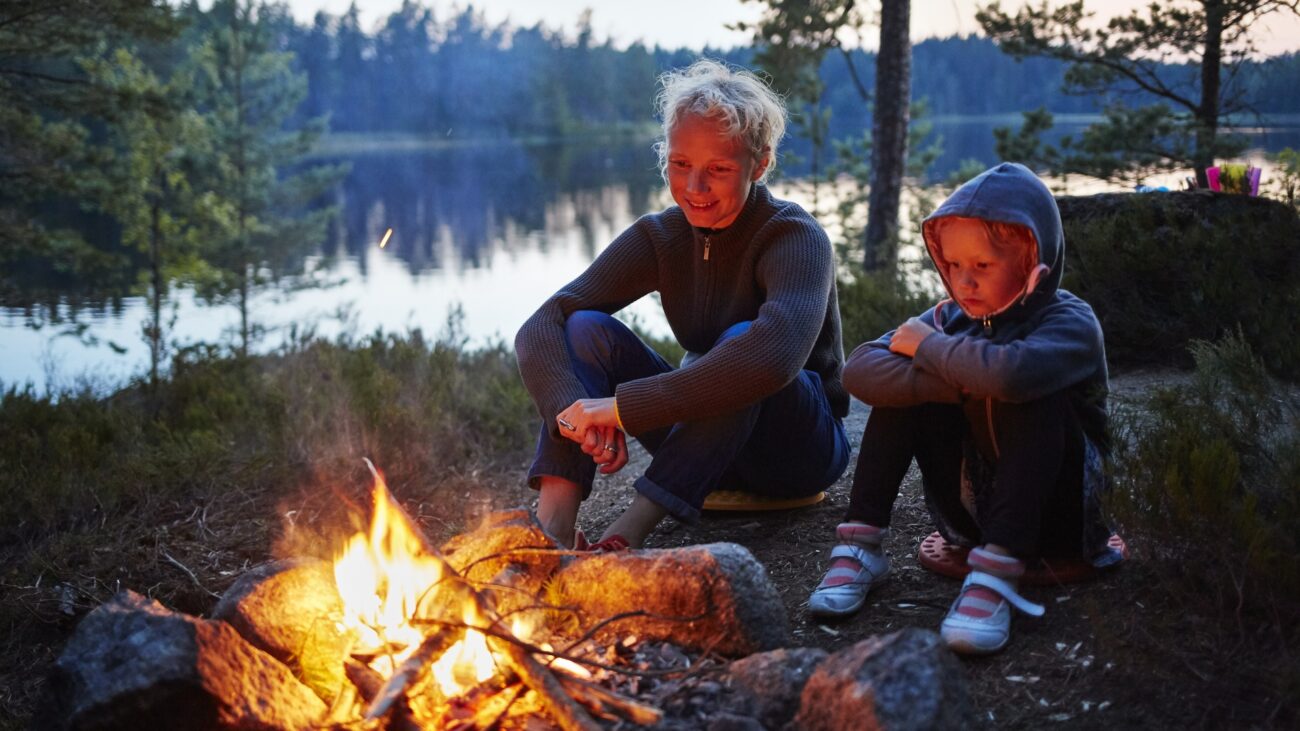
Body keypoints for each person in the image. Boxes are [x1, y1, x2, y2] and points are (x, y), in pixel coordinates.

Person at [514, 59, 851, 551]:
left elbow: (772, 357)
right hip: (704, 446)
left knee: (744, 341)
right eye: (680, 165)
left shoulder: (793, 236)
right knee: (585, 327)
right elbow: (543, 323)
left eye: (718, 169)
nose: (694, 188)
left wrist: (622, 409)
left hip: (796, 451)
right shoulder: (661, 237)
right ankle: (552, 533)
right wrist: (573, 412)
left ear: (760, 164)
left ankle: (625, 537)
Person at [808, 162, 1123, 654]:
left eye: (982, 266)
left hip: (1061, 517)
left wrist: (933, 354)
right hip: (974, 506)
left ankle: (996, 575)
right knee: (904, 394)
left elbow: (1012, 375)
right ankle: (861, 545)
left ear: (1031, 261)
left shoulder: (1070, 321)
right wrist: (955, 377)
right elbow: (860, 370)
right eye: (953, 265)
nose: (963, 282)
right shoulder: (948, 317)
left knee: (1022, 391)